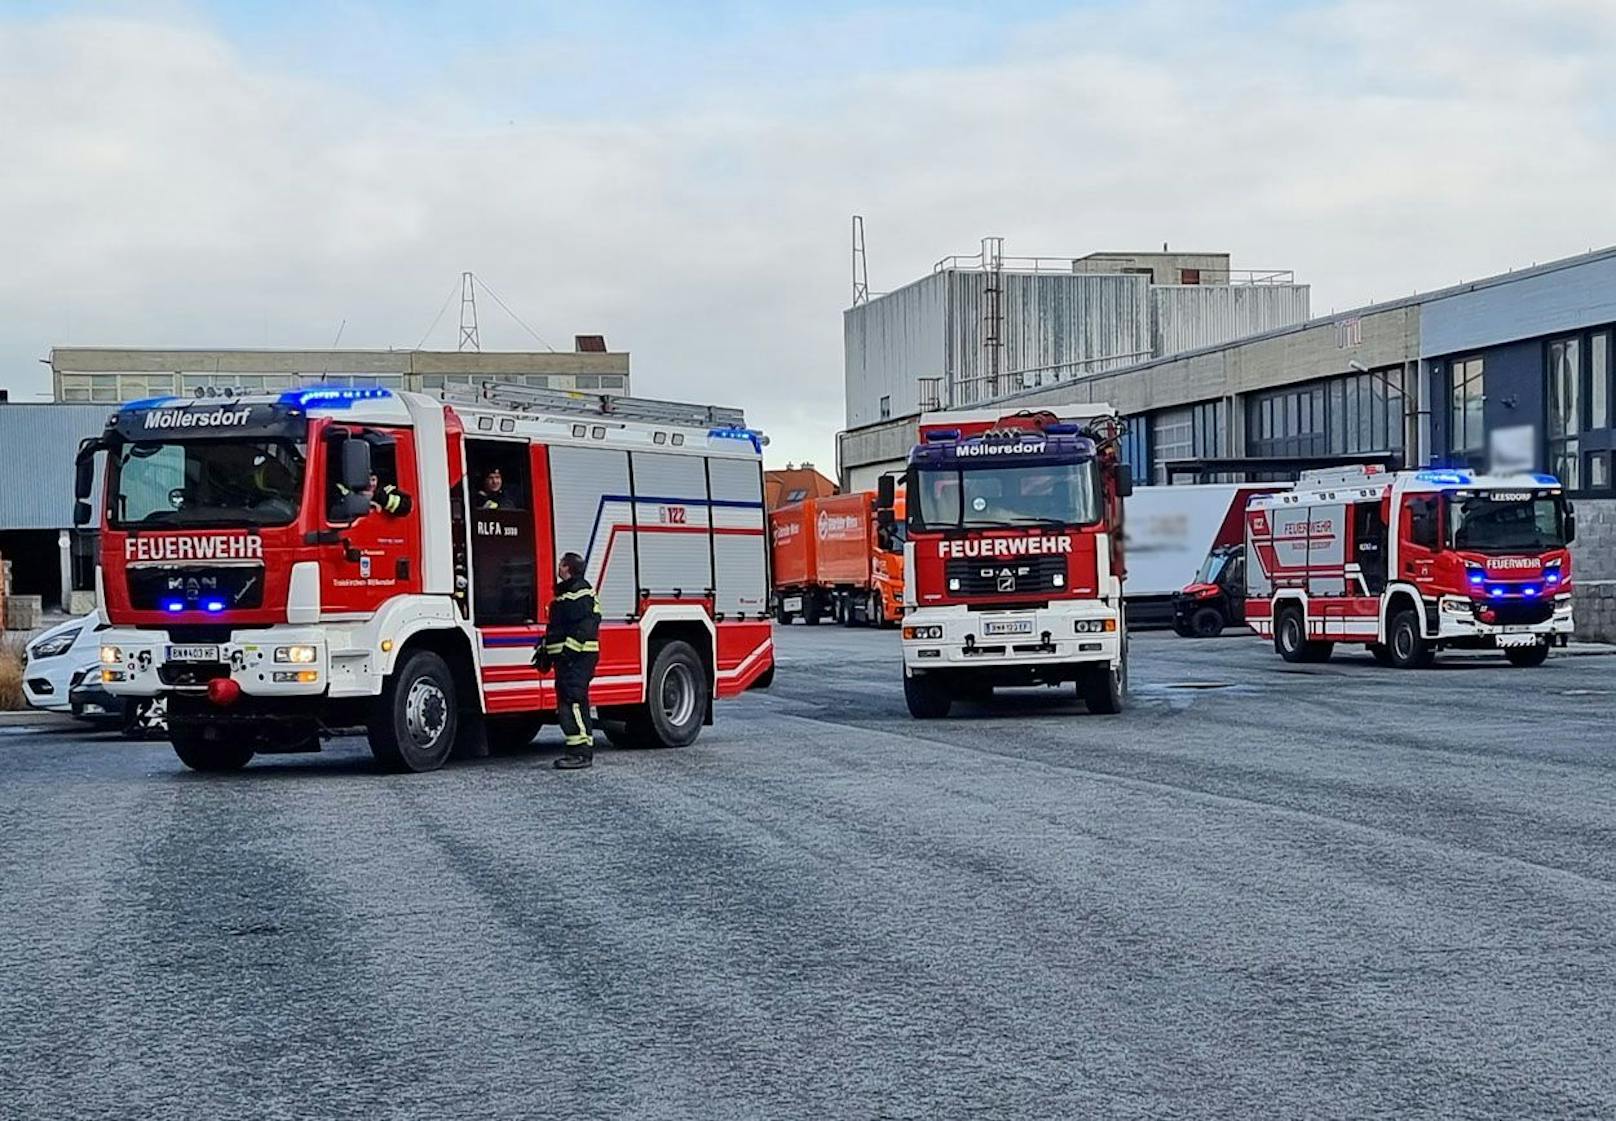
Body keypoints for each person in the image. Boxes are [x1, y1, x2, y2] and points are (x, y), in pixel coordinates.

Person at [533, 552, 600, 769]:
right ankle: (577, 751)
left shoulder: (580, 593)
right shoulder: (567, 593)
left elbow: (586, 626)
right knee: (569, 701)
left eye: (560, 564)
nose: (557, 568)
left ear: (566, 568)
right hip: (568, 659)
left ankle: (581, 754)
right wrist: (546, 650)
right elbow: (559, 628)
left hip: (577, 658)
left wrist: (567, 652)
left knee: (573, 701)